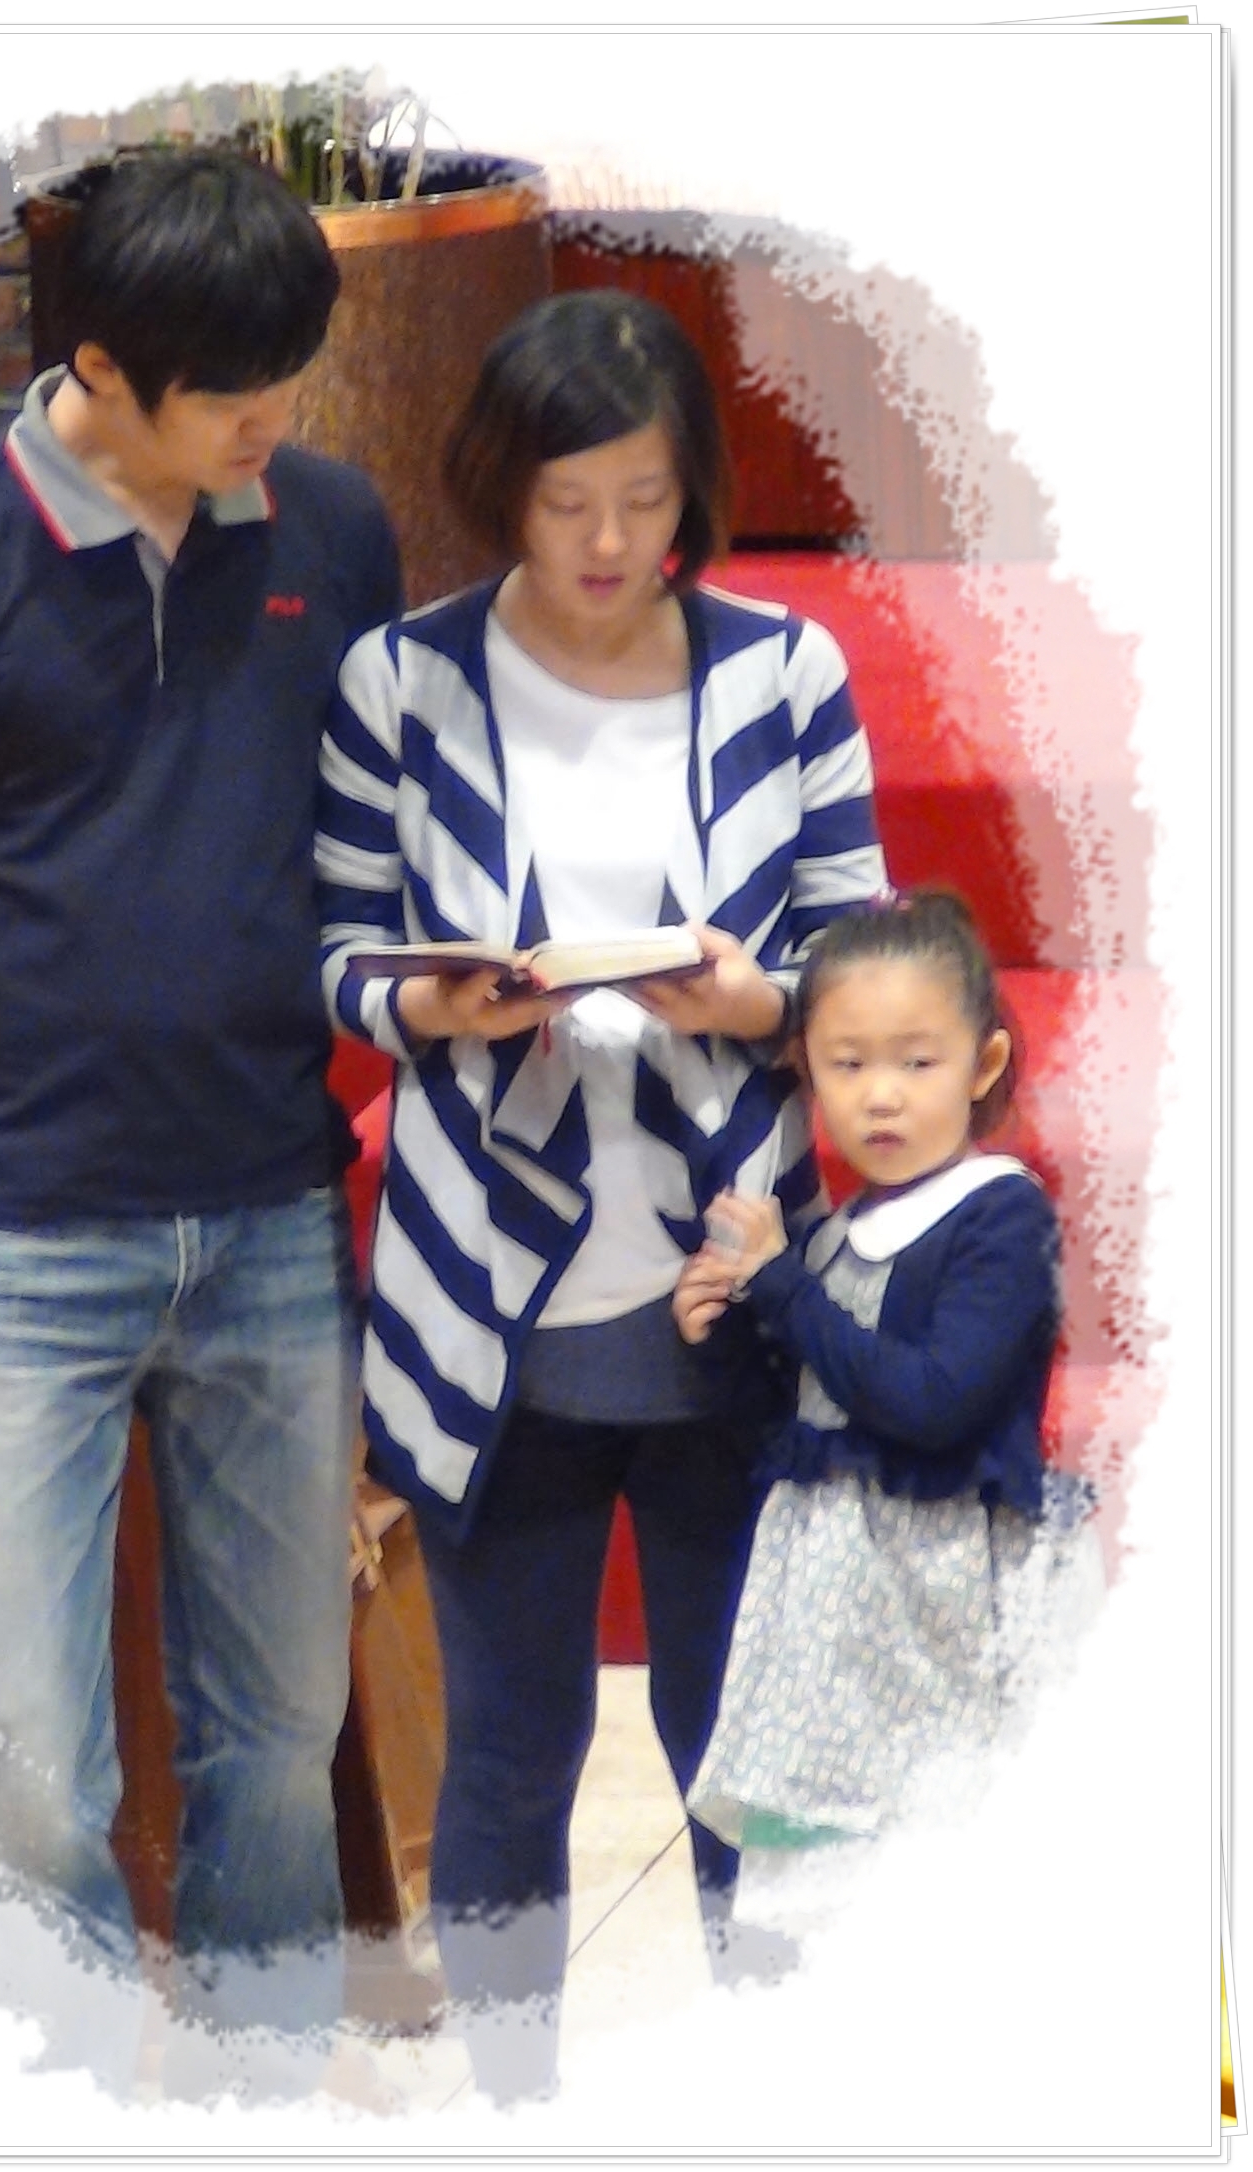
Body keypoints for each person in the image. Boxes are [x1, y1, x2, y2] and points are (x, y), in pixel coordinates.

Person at [0, 150, 403, 2099]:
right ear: (103, 369)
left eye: (289, 376)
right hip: (16, 1235)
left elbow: (356, 826)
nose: (270, 422)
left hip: (269, 1210)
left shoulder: (329, 527)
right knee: (17, 1765)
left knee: (277, 1739)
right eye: (230, 392)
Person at [315, 288, 886, 2099]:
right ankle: (514, 2103)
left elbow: (867, 956)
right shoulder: (400, 680)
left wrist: (757, 1003)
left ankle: (772, 2095)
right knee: (507, 1751)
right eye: (566, 502)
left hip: (732, 1282)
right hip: (488, 1296)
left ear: (692, 486)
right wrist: (432, 1003)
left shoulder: (781, 674)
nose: (607, 542)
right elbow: (334, 951)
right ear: (501, 486)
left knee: (744, 1749)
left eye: (643, 498)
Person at [676, 889, 1095, 1941]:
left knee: (949, 1894)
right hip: (830, 1633)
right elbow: (800, 1417)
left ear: (983, 1065)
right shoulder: (830, 1235)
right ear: (805, 1069)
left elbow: (932, 1403)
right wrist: (722, 1325)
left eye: (916, 1061)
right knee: (825, 1905)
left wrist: (780, 1289)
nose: (881, 1095)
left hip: (941, 1612)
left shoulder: (999, 1215)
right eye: (847, 1063)